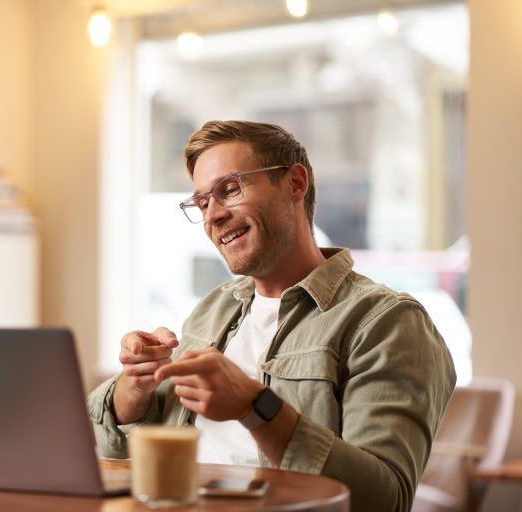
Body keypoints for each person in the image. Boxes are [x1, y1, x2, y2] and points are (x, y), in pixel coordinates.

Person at [87, 120, 456, 512]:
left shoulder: (385, 322)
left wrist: (257, 407)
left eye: (229, 190)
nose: (212, 216)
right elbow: (114, 446)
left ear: (296, 183)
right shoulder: (213, 310)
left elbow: (385, 500)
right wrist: (135, 386)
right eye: (202, 203)